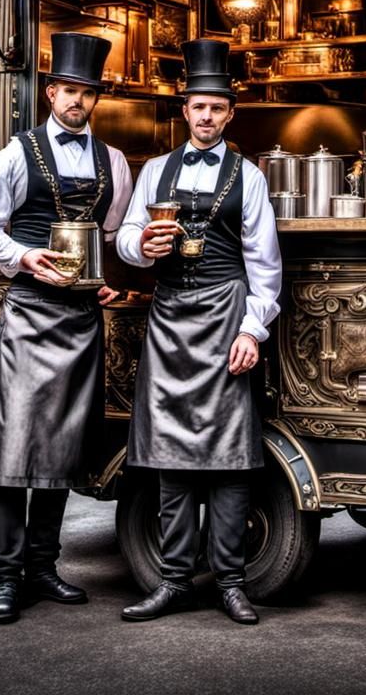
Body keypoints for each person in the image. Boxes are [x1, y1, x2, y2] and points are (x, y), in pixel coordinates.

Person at [0, 32, 133, 624]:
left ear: (94, 100)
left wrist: (107, 277)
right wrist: (24, 258)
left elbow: (110, 236)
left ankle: (42, 566)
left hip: (82, 320)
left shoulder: (114, 162)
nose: (77, 102)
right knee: (13, 448)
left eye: (87, 94)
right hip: (30, 315)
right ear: (51, 93)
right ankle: (7, 576)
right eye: (68, 91)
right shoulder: (17, 153)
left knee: (59, 447)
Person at [116, 38, 281, 625]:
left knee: (231, 458)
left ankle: (232, 583)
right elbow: (125, 240)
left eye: (216, 107)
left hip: (225, 315)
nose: (206, 115)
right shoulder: (155, 171)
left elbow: (265, 265)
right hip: (169, 313)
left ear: (229, 113)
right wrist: (139, 244)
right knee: (171, 458)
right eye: (197, 106)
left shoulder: (251, 177)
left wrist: (252, 331)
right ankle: (174, 580)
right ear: (183, 111)